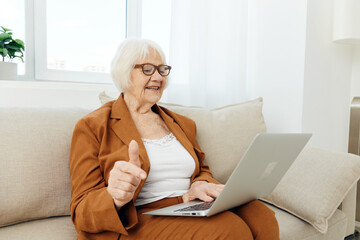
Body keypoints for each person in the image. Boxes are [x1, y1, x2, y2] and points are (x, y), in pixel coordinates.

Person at [70, 38, 279, 240]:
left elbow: (202, 169)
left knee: (262, 217)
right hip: (139, 217)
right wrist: (115, 196)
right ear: (124, 72)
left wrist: (200, 183)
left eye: (162, 69)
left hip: (187, 204)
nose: (158, 77)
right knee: (230, 231)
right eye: (148, 69)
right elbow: (81, 210)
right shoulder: (93, 126)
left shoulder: (182, 124)